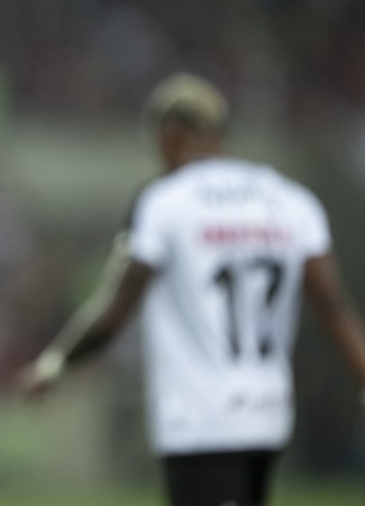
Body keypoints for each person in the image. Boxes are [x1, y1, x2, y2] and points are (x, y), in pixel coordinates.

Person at [18, 73, 365, 506]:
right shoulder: (291, 200)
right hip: (268, 414)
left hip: (200, 416)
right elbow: (334, 308)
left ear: (170, 135)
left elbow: (113, 313)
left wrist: (54, 364)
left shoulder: (165, 202)